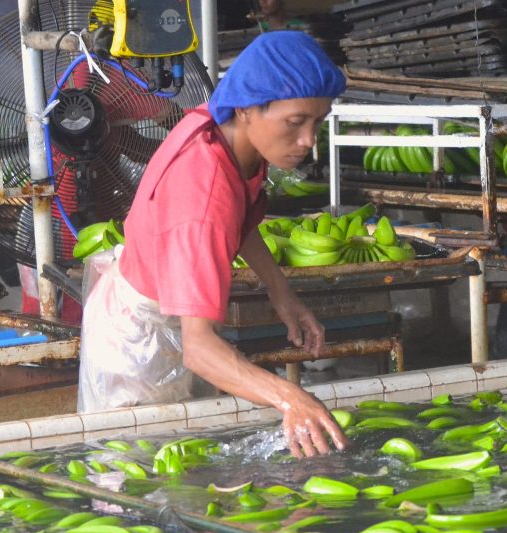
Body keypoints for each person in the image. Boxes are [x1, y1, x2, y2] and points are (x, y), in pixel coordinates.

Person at [77, 31, 349, 458]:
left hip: (167, 317)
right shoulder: (200, 194)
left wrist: (281, 292)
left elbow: (239, 218)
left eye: (318, 122)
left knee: (190, 464)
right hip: (137, 341)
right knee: (136, 483)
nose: (308, 141)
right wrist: (291, 398)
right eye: (295, 122)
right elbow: (200, 350)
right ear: (246, 108)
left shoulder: (228, 133)